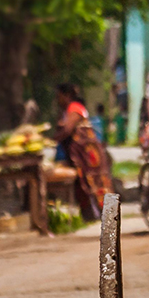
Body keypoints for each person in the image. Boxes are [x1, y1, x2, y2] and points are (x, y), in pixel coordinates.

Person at [53, 83, 112, 222]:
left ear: (66, 96)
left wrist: (51, 140)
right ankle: (90, 217)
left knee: (96, 183)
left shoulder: (75, 108)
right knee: (82, 185)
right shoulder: (66, 110)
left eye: (59, 96)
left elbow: (67, 130)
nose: (57, 100)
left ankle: (108, 215)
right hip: (79, 156)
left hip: (88, 155)